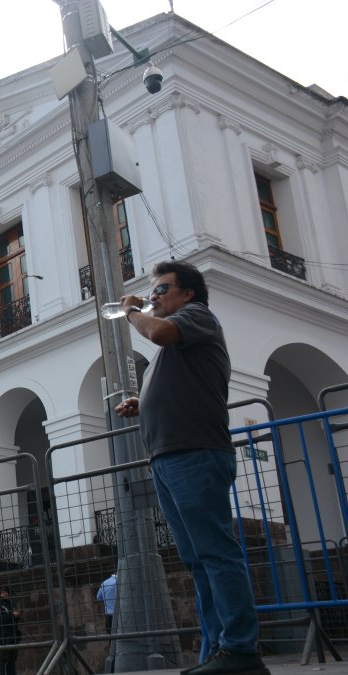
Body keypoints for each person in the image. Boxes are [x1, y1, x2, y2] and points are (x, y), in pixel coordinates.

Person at [115, 261, 268, 675]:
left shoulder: (196, 317)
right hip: (170, 456)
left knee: (215, 553)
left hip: (194, 454)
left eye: (162, 289)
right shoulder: (179, 337)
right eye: (152, 291)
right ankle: (218, 650)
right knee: (199, 559)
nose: (154, 296)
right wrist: (142, 404)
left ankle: (240, 651)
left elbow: (158, 332)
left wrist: (132, 311)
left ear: (188, 293)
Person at [0, 587, 21, 675]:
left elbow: (14, 620)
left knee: (12, 659)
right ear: (2, 592)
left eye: (8, 592)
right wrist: (12, 615)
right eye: (6, 592)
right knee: (2, 658)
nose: (8, 594)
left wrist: (17, 616)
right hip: (4, 634)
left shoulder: (9, 604)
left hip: (13, 634)